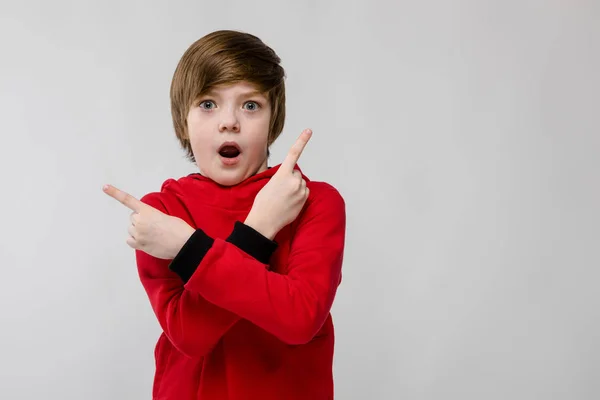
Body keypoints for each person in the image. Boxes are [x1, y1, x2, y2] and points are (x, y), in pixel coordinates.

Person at [103, 30, 346, 400]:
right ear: (183, 120)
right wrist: (258, 230)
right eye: (207, 104)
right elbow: (189, 335)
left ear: (272, 119)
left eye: (250, 105)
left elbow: (300, 320)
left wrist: (190, 247)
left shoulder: (315, 201)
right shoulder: (162, 214)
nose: (229, 122)